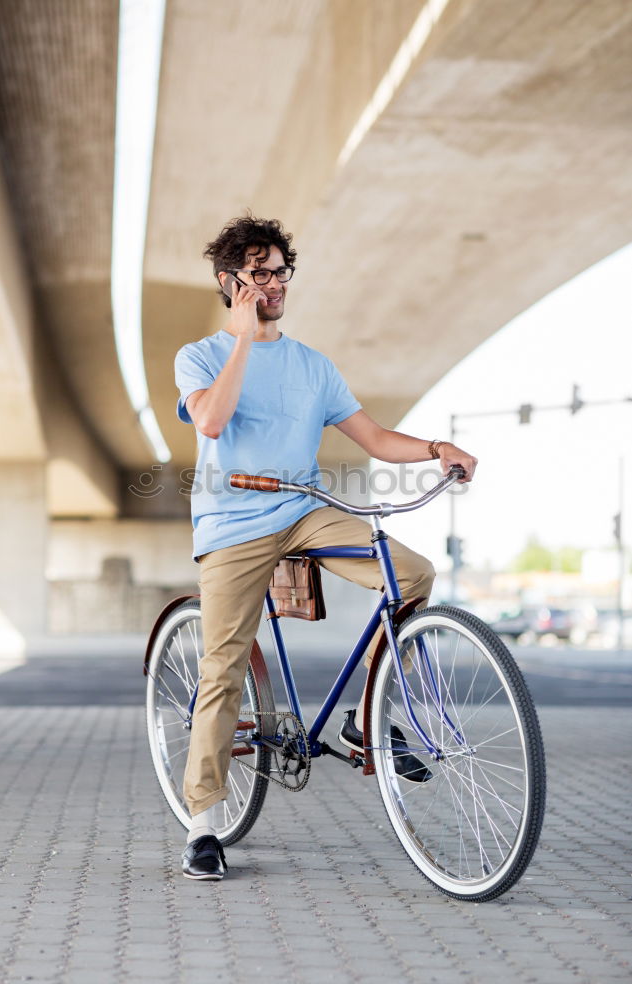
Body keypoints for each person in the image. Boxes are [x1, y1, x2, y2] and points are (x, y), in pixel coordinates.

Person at [174, 214, 477, 880]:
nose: (274, 284)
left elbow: (371, 437)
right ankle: (202, 821)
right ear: (230, 282)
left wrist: (433, 450)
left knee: (412, 571)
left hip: (307, 510)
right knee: (222, 669)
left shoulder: (313, 365)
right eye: (258, 273)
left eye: (281, 271)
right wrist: (246, 340)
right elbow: (213, 420)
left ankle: (364, 716)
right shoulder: (200, 356)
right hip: (232, 523)